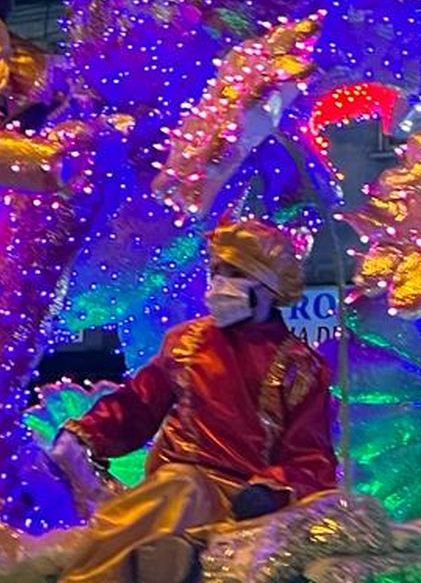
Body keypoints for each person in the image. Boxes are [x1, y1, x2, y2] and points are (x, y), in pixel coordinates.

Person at [52, 220, 336, 583]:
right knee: (177, 489)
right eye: (216, 271)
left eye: (235, 273)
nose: (220, 284)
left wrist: (269, 489)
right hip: (171, 490)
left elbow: (310, 458)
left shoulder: (300, 367)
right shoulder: (186, 342)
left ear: (269, 287)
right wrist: (85, 433)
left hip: (240, 502)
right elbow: (139, 405)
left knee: (181, 490)